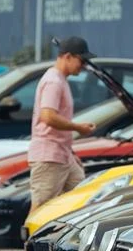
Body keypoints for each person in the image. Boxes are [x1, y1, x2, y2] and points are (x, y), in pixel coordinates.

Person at [27, 35, 95, 215]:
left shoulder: (60, 80)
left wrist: (70, 151)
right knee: (41, 206)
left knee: (83, 197)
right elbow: (48, 116)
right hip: (49, 155)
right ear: (68, 56)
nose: (84, 65)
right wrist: (78, 127)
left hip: (61, 154)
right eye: (82, 60)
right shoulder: (53, 81)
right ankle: (28, 243)